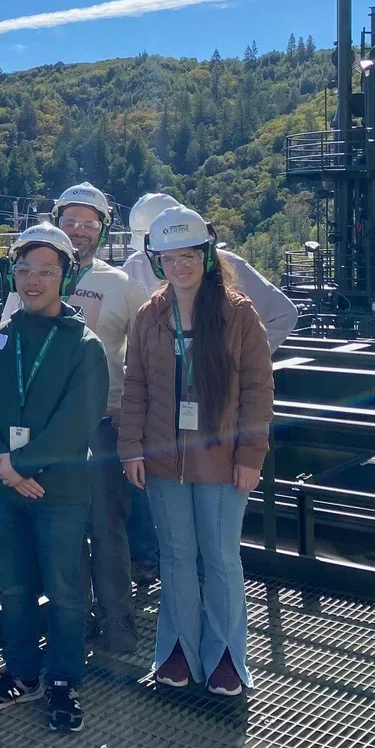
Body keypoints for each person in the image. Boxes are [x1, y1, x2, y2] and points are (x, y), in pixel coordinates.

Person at [120, 206, 273, 697]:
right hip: (163, 458)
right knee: (178, 557)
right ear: (156, 259)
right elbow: (136, 386)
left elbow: (257, 386)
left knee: (222, 557)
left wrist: (252, 454)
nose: (179, 266)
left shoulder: (236, 312)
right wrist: (130, 448)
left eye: (189, 255)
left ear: (207, 256)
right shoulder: (151, 315)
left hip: (223, 459)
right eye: (169, 257)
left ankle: (227, 656)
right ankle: (178, 652)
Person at [0, 224, 108, 734]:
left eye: (46, 271)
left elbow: (78, 423)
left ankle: (65, 677)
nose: (33, 280)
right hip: (5, 485)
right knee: (15, 587)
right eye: (24, 269)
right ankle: (21, 672)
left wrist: (18, 466)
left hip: (59, 491)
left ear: (64, 276)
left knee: (66, 589)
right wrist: (5, 464)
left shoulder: (84, 346)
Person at [1, 183, 148, 655]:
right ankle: (75, 616)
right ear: (57, 222)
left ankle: (118, 619)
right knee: (64, 528)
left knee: (106, 526)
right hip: (43, 430)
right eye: (71, 222)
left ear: (103, 229)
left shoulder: (120, 284)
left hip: (100, 424)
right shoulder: (29, 279)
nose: (80, 231)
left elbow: (144, 350)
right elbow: (6, 344)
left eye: (90, 223)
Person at [123, 193, 297, 352]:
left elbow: (283, 314)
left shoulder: (230, 265)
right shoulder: (134, 265)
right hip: (162, 378)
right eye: (164, 255)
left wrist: (242, 358)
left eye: (187, 255)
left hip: (218, 377)